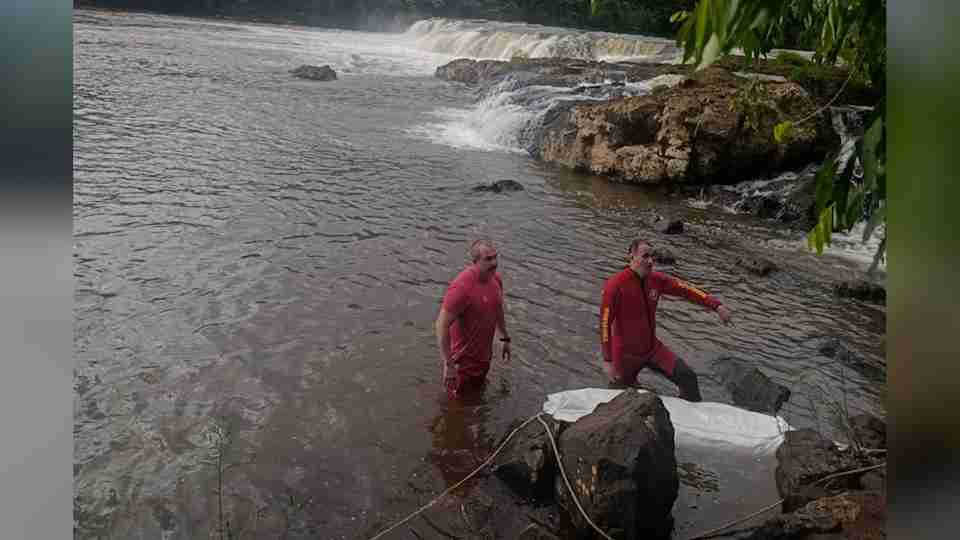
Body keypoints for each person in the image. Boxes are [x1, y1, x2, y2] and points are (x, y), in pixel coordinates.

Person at [599, 238, 732, 401]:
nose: (650, 261)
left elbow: (686, 289)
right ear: (631, 256)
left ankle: (686, 413)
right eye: (645, 256)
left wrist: (716, 305)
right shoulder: (615, 286)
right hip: (624, 357)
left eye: (652, 257)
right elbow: (604, 324)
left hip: (652, 349)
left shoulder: (656, 280)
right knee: (619, 398)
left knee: (687, 377)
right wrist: (608, 361)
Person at [435, 239, 512, 400]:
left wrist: (505, 338)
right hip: (462, 365)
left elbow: (497, 310)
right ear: (475, 261)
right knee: (455, 408)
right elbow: (441, 325)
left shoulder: (496, 280)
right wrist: (449, 365)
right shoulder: (462, 287)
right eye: (488, 259)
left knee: (477, 401)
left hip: (484, 359)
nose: (494, 263)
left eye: (495, 257)